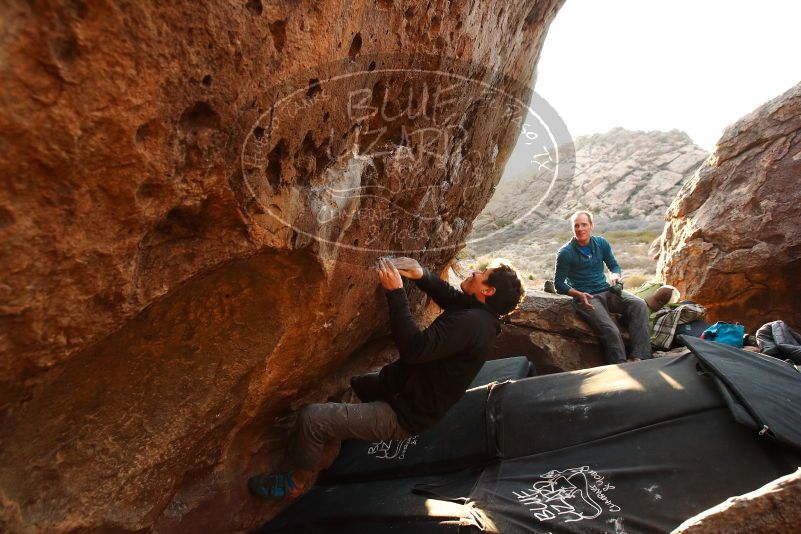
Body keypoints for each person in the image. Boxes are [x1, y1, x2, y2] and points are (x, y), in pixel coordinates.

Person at [248, 256, 525, 499]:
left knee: (313, 418)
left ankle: (295, 481)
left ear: (487, 290)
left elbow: (414, 350)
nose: (475, 273)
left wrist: (396, 293)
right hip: (401, 391)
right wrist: (422, 275)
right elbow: (453, 299)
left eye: (482, 274)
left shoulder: (472, 325)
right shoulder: (480, 316)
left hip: (402, 414)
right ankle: (330, 445)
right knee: (356, 385)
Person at [553, 210, 651, 364]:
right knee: (611, 330)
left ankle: (640, 357)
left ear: (591, 226)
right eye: (576, 226)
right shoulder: (565, 253)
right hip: (586, 298)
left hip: (607, 291)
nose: (580, 229)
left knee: (639, 304)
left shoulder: (601, 243)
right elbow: (558, 284)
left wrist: (615, 276)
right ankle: (620, 365)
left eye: (584, 225)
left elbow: (614, 266)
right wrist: (578, 294)